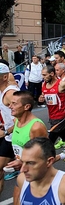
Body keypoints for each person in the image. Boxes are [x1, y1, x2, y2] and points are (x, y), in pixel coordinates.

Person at [6, 91, 65, 175]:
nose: (10, 106)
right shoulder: (17, 120)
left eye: (14, 104)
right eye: (10, 103)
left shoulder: (36, 127)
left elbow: (44, 156)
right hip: (25, 169)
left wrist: (22, 162)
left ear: (26, 107)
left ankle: (64, 155)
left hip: (38, 174)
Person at [14, 137, 65, 204]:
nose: (22, 170)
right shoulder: (22, 180)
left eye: (30, 163)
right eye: (22, 162)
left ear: (49, 161)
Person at [0, 63, 19, 192]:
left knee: (34, 172)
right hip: (9, 135)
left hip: (17, 137)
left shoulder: (10, 93)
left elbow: (23, 118)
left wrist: (6, 131)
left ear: (5, 77)